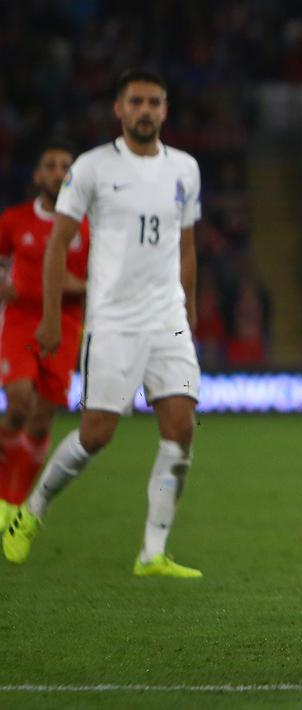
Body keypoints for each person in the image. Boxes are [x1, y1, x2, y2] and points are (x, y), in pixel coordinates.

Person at [2, 69, 205, 579]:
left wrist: (190, 307)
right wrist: (50, 317)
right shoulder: (91, 168)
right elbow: (56, 246)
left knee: (181, 430)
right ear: (119, 109)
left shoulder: (185, 168)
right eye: (136, 101)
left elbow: (186, 246)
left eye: (154, 102)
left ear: (165, 110)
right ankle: (32, 513)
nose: (145, 110)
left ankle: (152, 552)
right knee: (96, 435)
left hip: (168, 319)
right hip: (113, 322)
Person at [0, 142, 89, 529]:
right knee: (18, 402)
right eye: (50, 165)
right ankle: (5, 491)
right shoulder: (15, 220)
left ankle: (13, 503)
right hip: (21, 320)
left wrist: (78, 285)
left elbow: (103, 279)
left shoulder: (88, 226)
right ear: (38, 176)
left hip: (67, 325)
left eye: (65, 166)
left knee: (39, 423)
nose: (58, 172)